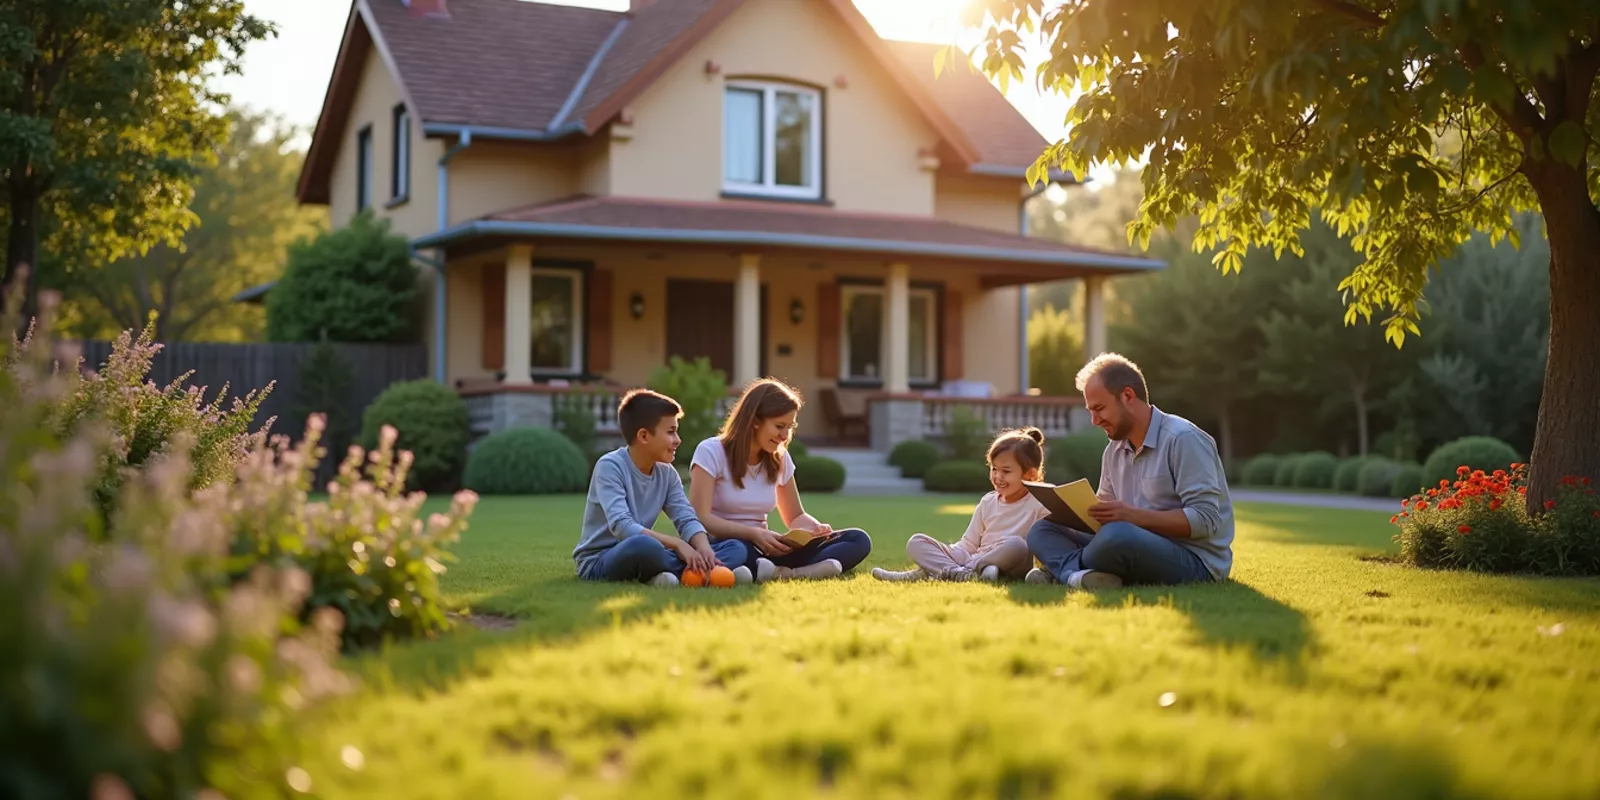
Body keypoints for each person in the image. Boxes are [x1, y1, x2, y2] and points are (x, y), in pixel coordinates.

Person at [1027, 353, 1234, 589]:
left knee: (1118, 536)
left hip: (1194, 561)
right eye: (1090, 411)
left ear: (1127, 396)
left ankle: (1061, 572)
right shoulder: (1113, 451)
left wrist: (1132, 516)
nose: (1094, 420)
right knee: (1043, 528)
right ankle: (1079, 576)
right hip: (1130, 542)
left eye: (1100, 408)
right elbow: (1103, 517)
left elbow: (1206, 520)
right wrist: (1071, 512)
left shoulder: (1184, 439)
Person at [689, 378, 872, 581]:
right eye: (779, 426)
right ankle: (777, 570)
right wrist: (754, 534)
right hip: (725, 544)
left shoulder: (780, 457)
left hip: (767, 547)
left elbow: (795, 516)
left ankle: (787, 573)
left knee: (858, 539)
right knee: (740, 550)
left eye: (790, 427)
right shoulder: (711, 451)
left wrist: (815, 528)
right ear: (755, 421)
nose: (785, 435)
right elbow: (700, 518)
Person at [573, 389, 751, 586]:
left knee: (735, 547)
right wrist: (678, 544)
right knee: (643, 545)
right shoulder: (610, 466)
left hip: (647, 552)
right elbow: (623, 527)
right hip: (601, 561)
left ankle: (685, 573)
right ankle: (710, 572)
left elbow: (685, 518)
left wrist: (703, 548)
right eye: (671, 432)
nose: (678, 440)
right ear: (643, 436)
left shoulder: (666, 472)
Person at [872, 427, 1050, 583]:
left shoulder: (1041, 501)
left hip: (1013, 561)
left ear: (1030, 474)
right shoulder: (988, 501)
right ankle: (962, 572)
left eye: (1006, 471)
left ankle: (936, 572)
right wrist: (949, 553)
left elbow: (1045, 545)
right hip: (975, 558)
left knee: (1017, 544)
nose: (997, 476)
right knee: (916, 541)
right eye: (994, 469)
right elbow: (968, 544)